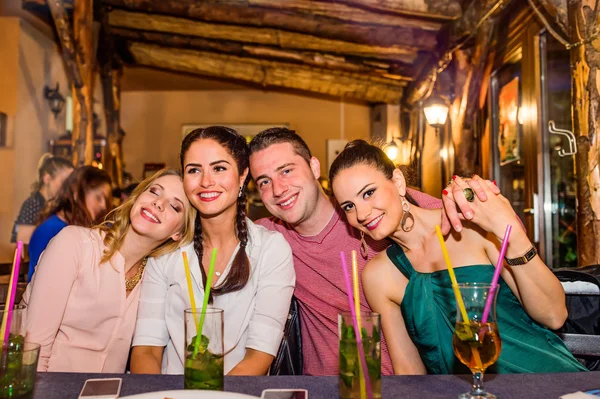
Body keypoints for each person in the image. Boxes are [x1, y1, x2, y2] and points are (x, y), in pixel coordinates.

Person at [329, 139, 587, 374]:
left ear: (397, 181)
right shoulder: (378, 276)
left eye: (368, 192)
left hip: (548, 378)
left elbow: (554, 315)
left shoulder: (471, 227)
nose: (361, 214)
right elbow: (408, 371)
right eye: (348, 206)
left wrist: (513, 233)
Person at [248, 128, 459, 376]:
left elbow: (460, 220)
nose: (278, 188)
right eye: (264, 181)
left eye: (286, 170)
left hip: (401, 384)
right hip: (323, 388)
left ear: (314, 167)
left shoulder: (376, 213)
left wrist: (470, 196)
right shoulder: (270, 240)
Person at [131, 126, 295, 376]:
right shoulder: (168, 250)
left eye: (219, 168)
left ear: (242, 177)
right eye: (194, 170)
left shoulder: (271, 250)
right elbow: (146, 350)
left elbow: (258, 357)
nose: (206, 181)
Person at [22, 169, 195, 373]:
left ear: (178, 233)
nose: (159, 203)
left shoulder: (155, 280)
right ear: (137, 197)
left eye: (175, 206)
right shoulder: (75, 244)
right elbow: (33, 353)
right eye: (154, 192)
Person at [27, 166, 113, 282]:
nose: (103, 206)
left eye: (106, 200)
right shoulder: (50, 229)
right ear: (76, 193)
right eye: (98, 197)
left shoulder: (81, 230)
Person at [11, 154, 73, 244]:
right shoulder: (32, 204)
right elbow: (23, 243)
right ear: (47, 178)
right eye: (63, 182)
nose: (67, 188)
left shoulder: (59, 205)